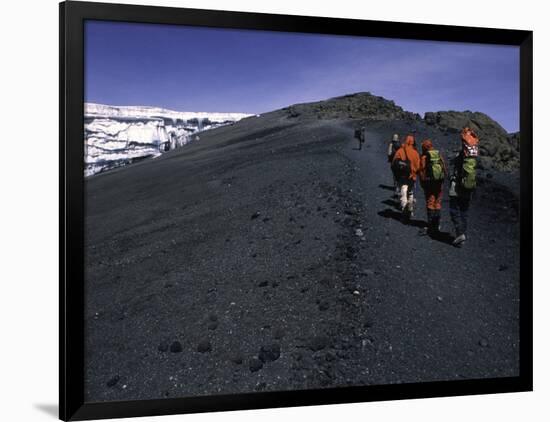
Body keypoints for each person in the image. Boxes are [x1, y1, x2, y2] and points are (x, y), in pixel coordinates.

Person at [449, 127, 479, 247]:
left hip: (457, 186)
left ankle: (460, 233)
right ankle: (462, 236)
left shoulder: (462, 154)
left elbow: (456, 167)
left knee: (453, 210)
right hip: (468, 187)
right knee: (464, 212)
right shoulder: (473, 155)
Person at [419, 139, 447, 235]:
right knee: (438, 202)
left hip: (429, 183)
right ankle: (437, 224)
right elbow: (444, 168)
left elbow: (422, 171)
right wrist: (443, 179)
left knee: (430, 202)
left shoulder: (425, 157)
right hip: (439, 182)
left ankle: (431, 225)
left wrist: (423, 183)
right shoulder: (438, 154)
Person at [392, 133, 420, 219]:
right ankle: (410, 209)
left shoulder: (400, 151)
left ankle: (404, 208)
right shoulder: (416, 153)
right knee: (410, 192)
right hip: (412, 177)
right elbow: (418, 166)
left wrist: (396, 174)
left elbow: (394, 163)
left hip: (402, 176)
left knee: (403, 190)